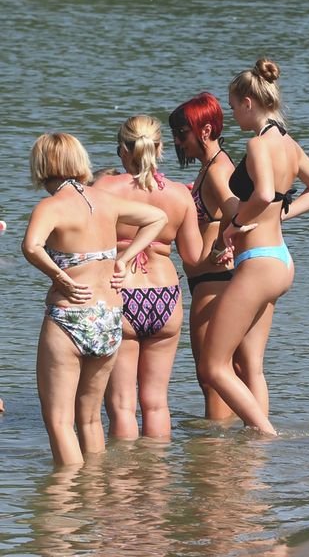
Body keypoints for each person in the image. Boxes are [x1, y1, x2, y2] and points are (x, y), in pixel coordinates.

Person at [197, 59, 309, 435]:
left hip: (258, 263)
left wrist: (234, 227)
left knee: (213, 366)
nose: (232, 115)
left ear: (247, 103)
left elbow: (261, 193)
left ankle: (265, 434)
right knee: (251, 366)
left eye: (231, 106)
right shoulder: (290, 144)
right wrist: (281, 214)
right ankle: (256, 452)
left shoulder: (257, 143)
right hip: (280, 260)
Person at [21, 133, 166, 465]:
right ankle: (94, 493)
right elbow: (156, 218)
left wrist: (59, 277)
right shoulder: (104, 200)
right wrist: (125, 259)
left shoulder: (50, 206)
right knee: (89, 418)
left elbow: (31, 246)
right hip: (110, 318)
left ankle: (66, 503)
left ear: (43, 165)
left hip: (70, 317)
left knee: (59, 421)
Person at [93, 116, 202, 440]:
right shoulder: (181, 195)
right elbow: (194, 258)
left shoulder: (105, 189)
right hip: (166, 297)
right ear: (160, 148)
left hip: (121, 293)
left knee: (123, 405)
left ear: (124, 150)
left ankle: (125, 486)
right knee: (156, 404)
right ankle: (155, 487)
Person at [169, 92, 243, 420]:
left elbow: (235, 208)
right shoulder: (210, 166)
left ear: (205, 130)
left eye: (182, 134)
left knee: (211, 376)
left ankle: (216, 452)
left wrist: (220, 245)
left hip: (214, 281)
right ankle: (233, 448)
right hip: (210, 281)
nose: (177, 142)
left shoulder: (217, 169)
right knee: (222, 373)